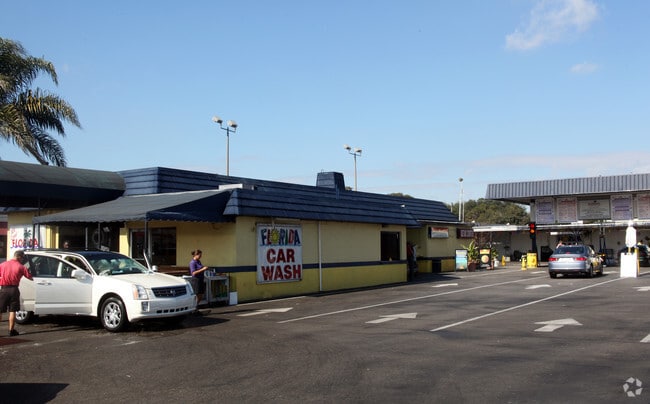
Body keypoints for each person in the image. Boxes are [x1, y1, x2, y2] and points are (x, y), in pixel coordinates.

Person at [0, 250, 34, 336]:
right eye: (22, 258)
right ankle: (11, 331)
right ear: (19, 257)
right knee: (12, 310)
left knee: (0, 310)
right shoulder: (21, 267)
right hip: (14, 290)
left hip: (4, 289)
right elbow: (30, 277)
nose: (22, 260)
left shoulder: (2, 265)